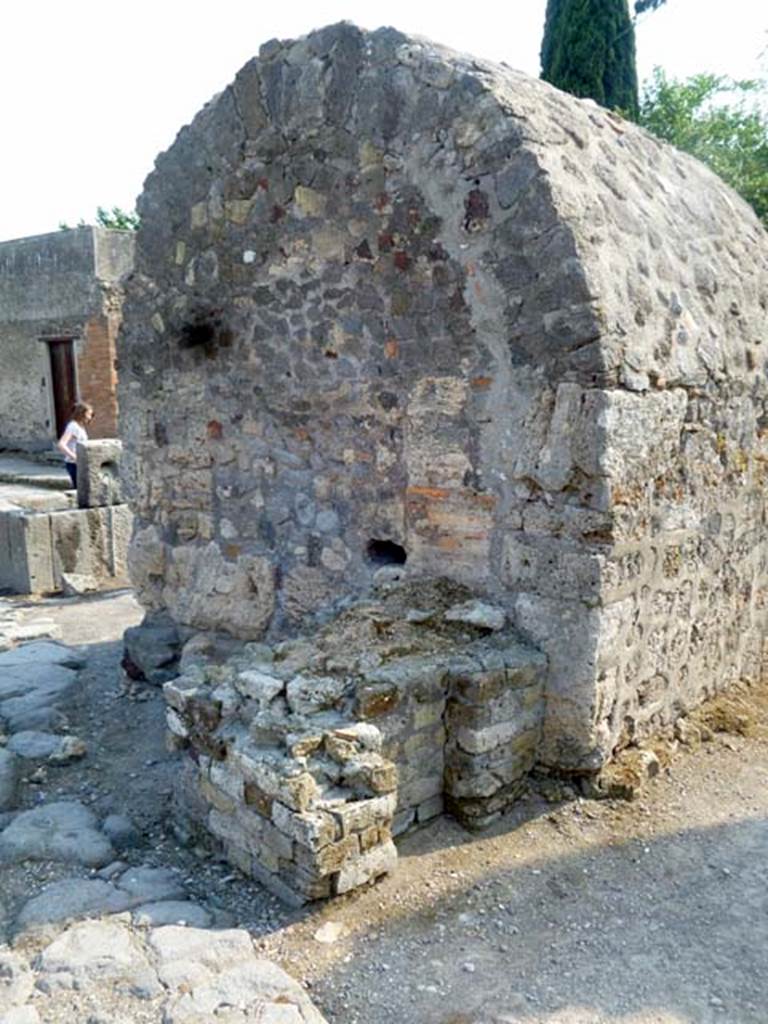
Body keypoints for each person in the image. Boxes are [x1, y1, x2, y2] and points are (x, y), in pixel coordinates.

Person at [57, 401, 94, 488]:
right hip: (74, 464)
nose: (90, 417)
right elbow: (61, 444)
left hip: (81, 462)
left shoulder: (80, 427)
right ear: (81, 414)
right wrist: (74, 457)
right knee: (80, 488)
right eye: (88, 414)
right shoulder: (73, 426)